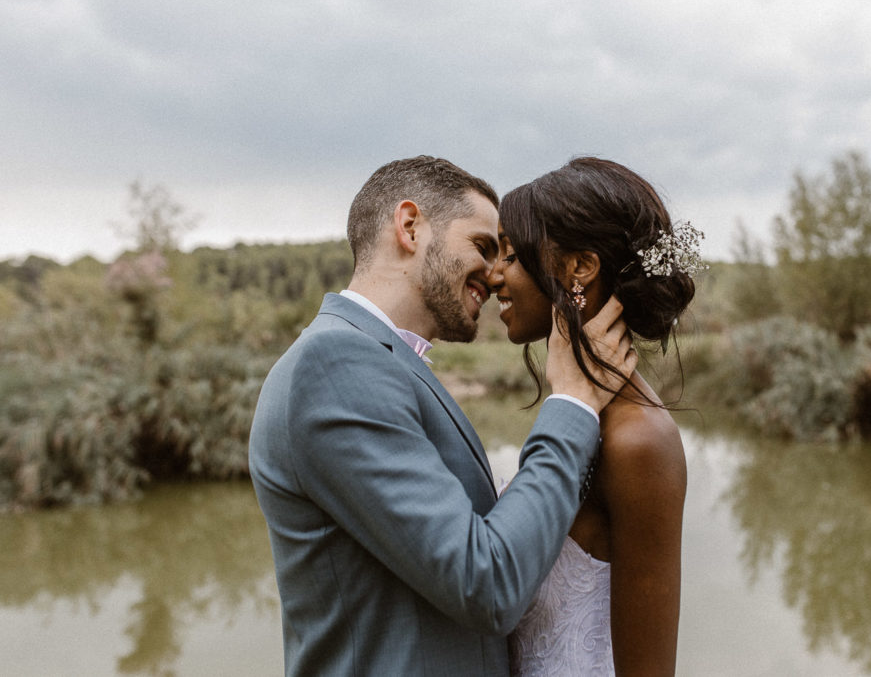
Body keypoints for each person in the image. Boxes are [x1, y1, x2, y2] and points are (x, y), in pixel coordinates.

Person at [248, 155, 637, 676]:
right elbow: (487, 584)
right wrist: (572, 404)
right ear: (410, 226)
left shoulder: (383, 363)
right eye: (482, 246)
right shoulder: (336, 365)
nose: (496, 273)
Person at [487, 157, 700, 675]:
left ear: (579, 268)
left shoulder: (638, 442)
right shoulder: (576, 412)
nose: (493, 275)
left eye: (511, 255)